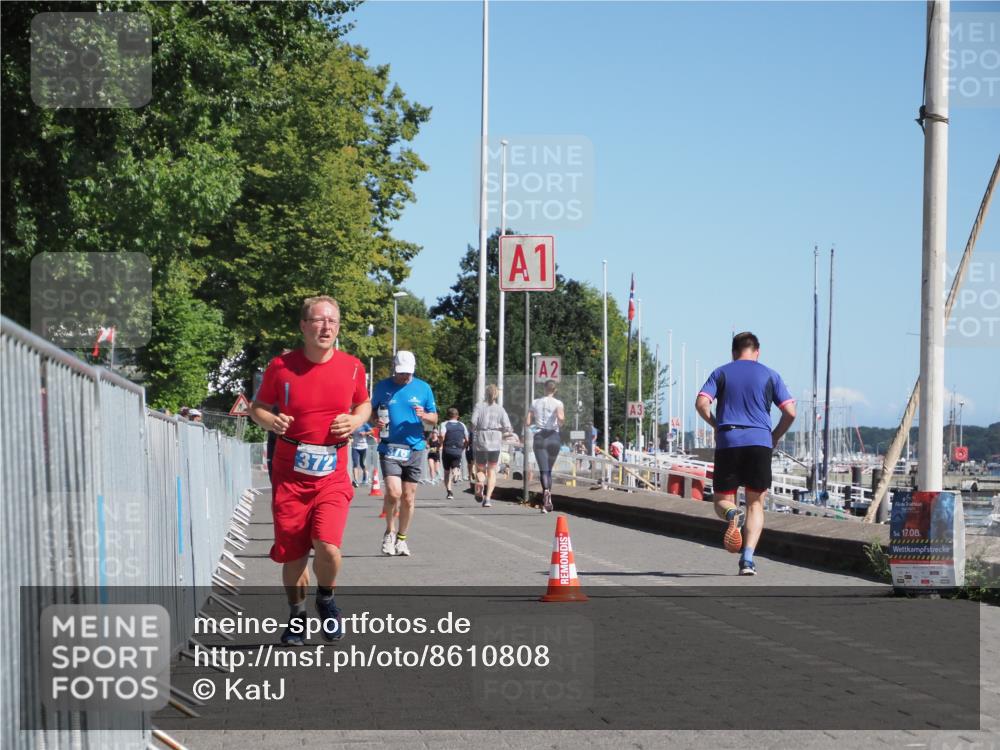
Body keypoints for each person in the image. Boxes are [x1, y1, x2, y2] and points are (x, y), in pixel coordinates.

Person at [250, 296, 370, 644]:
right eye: (318, 321)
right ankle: (298, 615)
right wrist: (271, 420)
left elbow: (363, 402)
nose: (326, 327)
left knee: (328, 545)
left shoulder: (352, 367)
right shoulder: (281, 367)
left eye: (332, 321)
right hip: (290, 473)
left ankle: (327, 598)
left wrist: (356, 419)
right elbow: (257, 408)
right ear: (304, 326)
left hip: (332, 471)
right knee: (294, 554)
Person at [695, 331, 795, 576]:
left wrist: (716, 424)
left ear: (733, 352)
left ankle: (731, 513)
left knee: (721, 500)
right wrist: (775, 436)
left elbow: (701, 403)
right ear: (757, 352)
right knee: (755, 504)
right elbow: (790, 412)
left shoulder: (721, 372)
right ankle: (747, 560)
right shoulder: (770, 374)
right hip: (760, 441)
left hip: (729, 439)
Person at [371, 350, 438, 557]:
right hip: (390, 446)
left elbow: (434, 417)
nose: (404, 377)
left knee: (408, 498)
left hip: (415, 448)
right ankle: (389, 532)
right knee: (393, 492)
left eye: (408, 373)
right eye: (401, 373)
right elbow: (370, 412)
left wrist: (424, 415)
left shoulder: (423, 388)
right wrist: (375, 421)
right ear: (394, 369)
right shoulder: (382, 387)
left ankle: (401, 538)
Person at [470, 384, 513, 508]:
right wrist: (502, 431)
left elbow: (473, 422)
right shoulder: (500, 409)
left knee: (481, 469)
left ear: (485, 393)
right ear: (496, 395)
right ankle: (488, 498)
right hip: (495, 441)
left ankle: (480, 483)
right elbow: (508, 427)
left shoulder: (479, 406)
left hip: (481, 441)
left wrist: (475, 430)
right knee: (492, 471)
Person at [527, 380, 565, 513]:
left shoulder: (535, 402)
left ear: (544, 389)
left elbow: (527, 421)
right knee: (549, 470)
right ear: (555, 390)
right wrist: (559, 420)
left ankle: (546, 494)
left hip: (540, 437)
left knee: (544, 471)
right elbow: (561, 418)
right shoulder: (558, 403)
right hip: (554, 437)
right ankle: (548, 498)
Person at [439, 407, 469, 500]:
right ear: (457, 416)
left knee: (447, 472)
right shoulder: (462, 425)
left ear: (448, 416)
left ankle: (449, 492)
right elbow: (467, 439)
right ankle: (456, 473)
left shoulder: (444, 424)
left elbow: (442, 436)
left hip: (447, 449)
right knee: (455, 466)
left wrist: (440, 445)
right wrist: (463, 447)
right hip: (458, 450)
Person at [351, 422, 372, 487]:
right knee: (355, 464)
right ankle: (356, 481)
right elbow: (350, 434)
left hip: (363, 447)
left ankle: (366, 476)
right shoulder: (352, 424)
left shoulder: (364, 424)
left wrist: (365, 433)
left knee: (362, 464)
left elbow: (372, 431)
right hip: (355, 447)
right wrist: (350, 435)